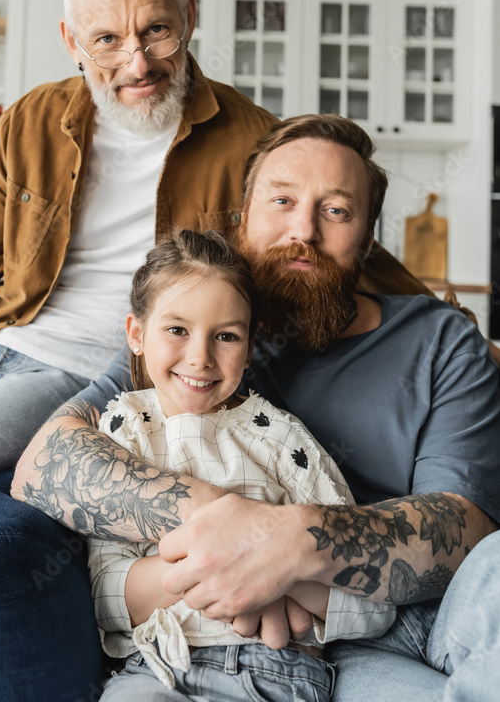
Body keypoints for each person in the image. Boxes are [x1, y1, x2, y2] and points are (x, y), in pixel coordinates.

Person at [0, 0, 424, 702]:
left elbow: (336, 242)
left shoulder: (249, 138)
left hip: (77, 372)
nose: (136, 62)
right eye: (106, 39)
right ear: (69, 39)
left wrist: (452, 324)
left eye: (156, 30)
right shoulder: (33, 118)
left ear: (190, 14)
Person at [1, 114, 499, 702]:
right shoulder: (198, 326)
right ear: (243, 219)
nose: (304, 230)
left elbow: (466, 531)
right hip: (258, 638)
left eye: (336, 210)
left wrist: (292, 543)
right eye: (281, 201)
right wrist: (238, 534)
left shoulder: (440, 340)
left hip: (402, 616)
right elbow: (46, 465)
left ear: (368, 240)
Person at [83, 228, 395, 700]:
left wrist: (277, 573)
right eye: (177, 330)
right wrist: (228, 567)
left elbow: (373, 603)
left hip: (279, 671)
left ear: (249, 349)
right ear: (136, 334)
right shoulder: (121, 436)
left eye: (226, 336)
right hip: (159, 668)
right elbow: (106, 594)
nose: (200, 358)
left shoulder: (281, 440)